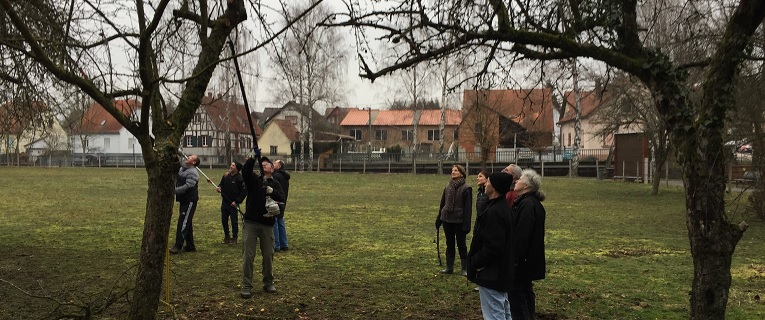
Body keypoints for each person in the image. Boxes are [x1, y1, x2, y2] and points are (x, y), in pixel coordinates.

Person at [467, 172, 516, 320]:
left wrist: (475, 262)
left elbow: (493, 246)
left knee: (494, 313)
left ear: (494, 188)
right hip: (498, 272)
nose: (485, 184)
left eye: (488, 182)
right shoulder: (500, 207)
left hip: (492, 274)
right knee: (502, 311)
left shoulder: (495, 212)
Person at [240, 156, 285, 298]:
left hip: (267, 225)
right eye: (263, 163)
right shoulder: (254, 181)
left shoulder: (276, 183)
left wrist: (272, 191)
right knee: (248, 255)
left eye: (268, 164)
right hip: (251, 223)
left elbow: (282, 198)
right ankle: (246, 285)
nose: (264, 165)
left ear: (272, 169)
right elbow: (246, 172)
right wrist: (252, 158)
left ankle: (268, 282)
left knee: (268, 255)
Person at [509, 169, 547, 320]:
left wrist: (515, 259)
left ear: (525, 186)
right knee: (525, 290)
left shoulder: (527, 205)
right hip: (528, 259)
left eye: (519, 180)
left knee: (517, 295)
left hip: (522, 261)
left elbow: (522, 235)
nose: (515, 181)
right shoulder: (530, 203)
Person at [435, 164, 473, 276]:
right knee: (449, 243)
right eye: (452, 170)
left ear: (462, 173)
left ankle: (464, 268)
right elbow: (443, 204)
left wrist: (466, 225)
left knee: (461, 244)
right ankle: (449, 267)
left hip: (459, 221)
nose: (453, 172)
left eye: (456, 170)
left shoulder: (466, 188)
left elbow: (468, 209)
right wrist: (439, 219)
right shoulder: (448, 187)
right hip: (447, 219)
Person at [170, 154, 200, 254]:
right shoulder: (184, 169)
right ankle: (190, 246)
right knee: (187, 222)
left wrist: (173, 191)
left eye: (191, 157)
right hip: (183, 200)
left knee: (183, 222)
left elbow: (188, 186)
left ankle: (178, 246)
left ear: (194, 162)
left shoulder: (193, 172)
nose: (188, 157)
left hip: (190, 201)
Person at [216, 161, 247, 245]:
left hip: (233, 203)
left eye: (233, 165)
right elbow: (221, 184)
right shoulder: (226, 176)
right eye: (231, 165)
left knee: (234, 221)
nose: (231, 166)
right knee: (224, 220)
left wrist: (237, 201)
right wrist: (219, 188)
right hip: (225, 202)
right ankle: (227, 236)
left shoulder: (240, 179)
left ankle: (234, 237)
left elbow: (244, 192)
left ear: (237, 168)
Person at [272, 159, 290, 252]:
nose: (273, 164)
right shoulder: (285, 177)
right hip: (283, 201)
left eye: (275, 163)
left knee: (274, 222)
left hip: (276, 201)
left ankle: (276, 245)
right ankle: (284, 244)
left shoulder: (275, 176)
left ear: (279, 166)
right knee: (280, 221)